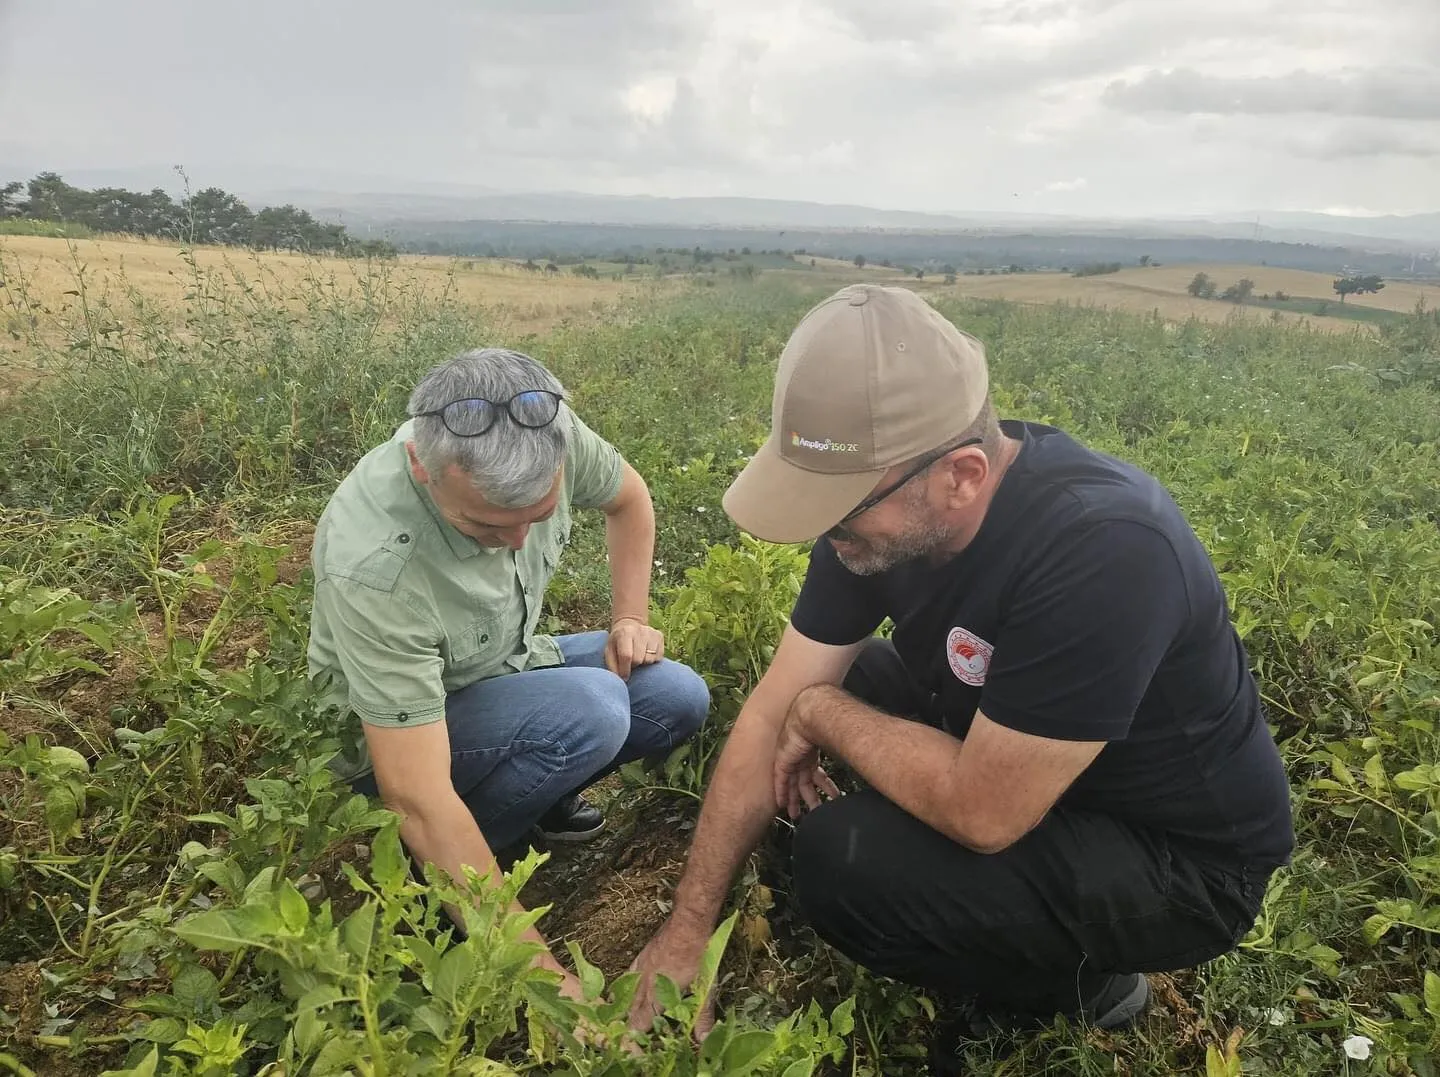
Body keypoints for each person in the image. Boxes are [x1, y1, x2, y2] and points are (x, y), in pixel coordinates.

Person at [628, 284, 1294, 1053]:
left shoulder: (1105, 549)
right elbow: (775, 701)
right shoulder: (879, 516)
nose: (825, 531)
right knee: (847, 681)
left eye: (842, 510)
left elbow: (985, 813)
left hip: (1176, 862)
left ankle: (1088, 982)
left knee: (843, 863)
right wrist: (686, 934)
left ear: (963, 475)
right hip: (1027, 760)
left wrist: (820, 717)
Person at [308, 347, 710, 995]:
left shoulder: (541, 431)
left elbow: (630, 497)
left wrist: (629, 617)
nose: (519, 543)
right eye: (486, 528)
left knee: (675, 695)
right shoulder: (375, 564)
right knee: (597, 708)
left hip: (501, 664)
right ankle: (422, 877)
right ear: (422, 465)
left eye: (538, 518)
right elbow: (413, 791)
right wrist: (548, 982)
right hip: (390, 744)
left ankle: (525, 809)